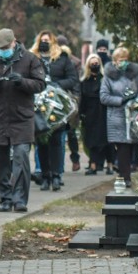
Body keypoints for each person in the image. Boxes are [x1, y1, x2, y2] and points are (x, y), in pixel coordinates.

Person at [0, 28, 45, 213]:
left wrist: (22, 81)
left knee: (21, 157)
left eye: (6, 46)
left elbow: (40, 84)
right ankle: (5, 198)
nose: (2, 50)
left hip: (22, 118)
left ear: (14, 42)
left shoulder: (29, 59)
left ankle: (20, 199)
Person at [29, 31, 78, 192]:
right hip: (39, 105)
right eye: (42, 40)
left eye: (47, 41)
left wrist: (57, 85)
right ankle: (45, 175)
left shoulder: (62, 58)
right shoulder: (32, 58)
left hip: (58, 106)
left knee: (57, 141)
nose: (45, 43)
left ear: (53, 42)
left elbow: (72, 79)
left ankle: (57, 175)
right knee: (42, 142)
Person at [100, 46, 138, 188]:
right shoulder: (108, 77)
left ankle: (132, 173)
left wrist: (136, 100)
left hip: (134, 116)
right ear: (115, 61)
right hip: (117, 118)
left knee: (135, 146)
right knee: (122, 148)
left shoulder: (135, 75)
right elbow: (103, 96)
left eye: (126, 59)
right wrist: (121, 100)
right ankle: (125, 176)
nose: (123, 62)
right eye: (121, 60)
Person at [79, 53, 115, 175]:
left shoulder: (105, 79)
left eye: (96, 63)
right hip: (90, 113)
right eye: (92, 63)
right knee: (92, 140)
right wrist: (81, 114)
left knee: (107, 141)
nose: (95, 65)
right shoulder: (84, 81)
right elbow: (82, 98)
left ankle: (110, 164)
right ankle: (93, 165)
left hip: (104, 112)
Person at [56, 34, 82, 173]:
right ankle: (62, 163)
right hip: (59, 100)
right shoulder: (54, 60)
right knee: (62, 133)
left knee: (71, 133)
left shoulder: (75, 62)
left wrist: (76, 99)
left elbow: (76, 82)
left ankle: (75, 158)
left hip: (70, 99)